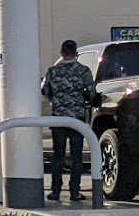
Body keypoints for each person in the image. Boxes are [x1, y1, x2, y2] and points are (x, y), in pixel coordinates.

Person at [41, 39, 97, 201]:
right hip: (77, 118)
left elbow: (45, 91)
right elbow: (91, 92)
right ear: (76, 53)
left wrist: (57, 101)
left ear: (62, 52)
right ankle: (74, 191)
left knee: (58, 155)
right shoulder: (83, 70)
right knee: (76, 156)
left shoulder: (53, 71)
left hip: (58, 118)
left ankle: (55, 191)